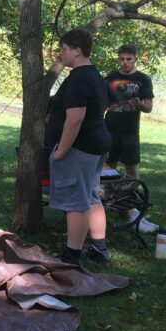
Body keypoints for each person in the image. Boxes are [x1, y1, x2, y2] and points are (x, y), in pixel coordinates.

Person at [44, 29, 111, 265]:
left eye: (63, 49)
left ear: (77, 50)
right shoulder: (95, 75)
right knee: (91, 196)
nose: (61, 54)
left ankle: (72, 255)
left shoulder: (79, 78)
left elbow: (75, 118)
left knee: (76, 202)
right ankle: (99, 248)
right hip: (97, 144)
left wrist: (61, 151)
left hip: (80, 149)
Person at [104, 44, 157, 233]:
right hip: (109, 129)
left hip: (130, 131)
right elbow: (100, 103)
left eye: (129, 59)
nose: (125, 63)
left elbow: (149, 107)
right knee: (107, 168)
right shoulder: (109, 79)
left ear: (135, 59)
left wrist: (140, 103)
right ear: (118, 59)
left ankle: (133, 208)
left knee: (131, 169)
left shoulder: (143, 79)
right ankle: (110, 204)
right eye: (122, 59)